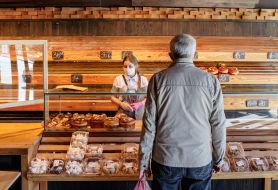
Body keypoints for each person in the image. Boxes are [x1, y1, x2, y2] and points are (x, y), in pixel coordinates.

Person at [139, 34, 227, 190]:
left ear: (171, 55)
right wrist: (219, 158)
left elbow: (149, 124)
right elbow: (218, 124)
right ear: (195, 54)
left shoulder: (158, 80)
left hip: (166, 159)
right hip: (200, 158)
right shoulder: (211, 81)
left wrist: (143, 161)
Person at [111, 53, 148, 120]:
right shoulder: (118, 79)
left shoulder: (143, 79)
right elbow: (112, 97)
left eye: (130, 66)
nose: (127, 69)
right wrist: (121, 103)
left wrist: (140, 104)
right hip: (123, 114)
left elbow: (149, 97)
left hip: (140, 114)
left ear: (136, 66)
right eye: (125, 66)